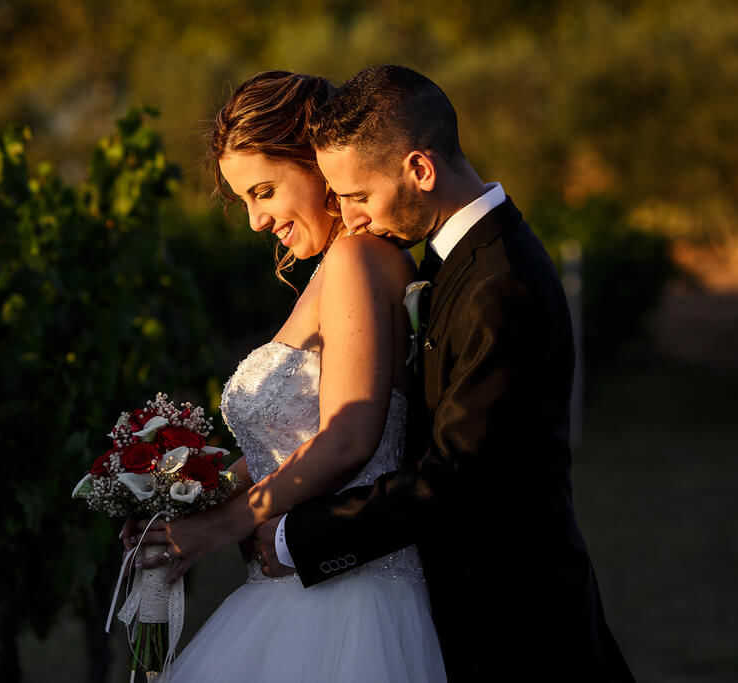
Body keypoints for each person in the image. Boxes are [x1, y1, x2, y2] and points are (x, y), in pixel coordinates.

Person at [246, 65, 634, 681]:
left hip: (517, 625)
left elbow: (458, 476)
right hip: (462, 611)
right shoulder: (454, 263)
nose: (350, 219)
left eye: (358, 195)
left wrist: (301, 538)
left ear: (420, 170)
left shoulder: (500, 284)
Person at [129, 70, 447, 681]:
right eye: (244, 200)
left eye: (265, 191)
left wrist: (221, 527)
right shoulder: (334, 269)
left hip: (348, 598)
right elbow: (297, 443)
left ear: (313, 160)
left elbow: (350, 439)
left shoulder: (358, 259)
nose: (254, 221)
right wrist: (185, 505)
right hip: (295, 589)